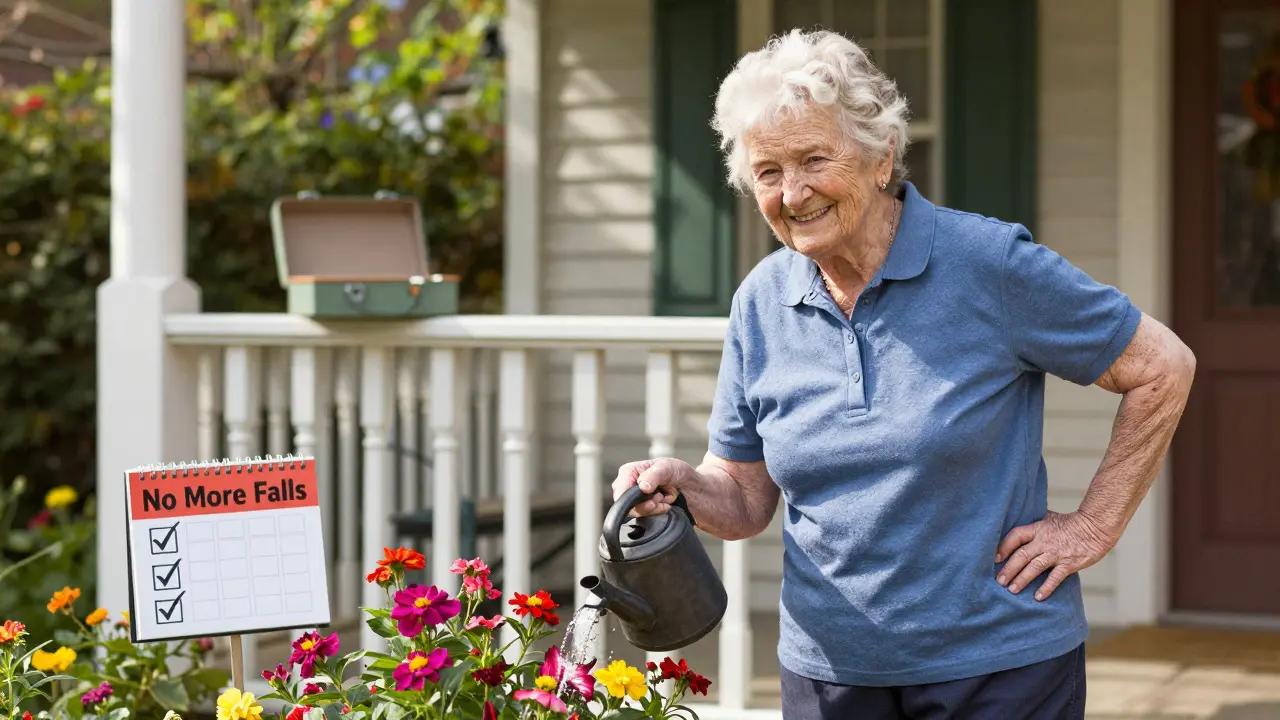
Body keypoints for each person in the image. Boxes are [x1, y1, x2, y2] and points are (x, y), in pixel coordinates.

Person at [611, 29, 1196, 719]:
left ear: (880, 157)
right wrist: (683, 484)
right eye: (768, 171)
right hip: (829, 673)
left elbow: (1162, 366)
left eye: (814, 159)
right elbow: (743, 499)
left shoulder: (988, 264)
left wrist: (1092, 527)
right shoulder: (762, 302)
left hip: (999, 668)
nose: (793, 193)